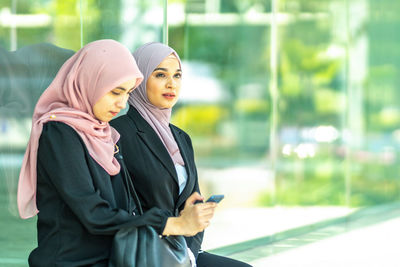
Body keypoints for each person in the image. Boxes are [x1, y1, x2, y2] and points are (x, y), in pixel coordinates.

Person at [17, 39, 214, 267]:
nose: (122, 104)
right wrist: (173, 224)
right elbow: (93, 213)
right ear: (90, 81)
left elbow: (127, 207)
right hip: (73, 262)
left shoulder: (104, 133)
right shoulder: (60, 133)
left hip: (116, 255)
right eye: (115, 92)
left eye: (128, 93)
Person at [110, 42, 252, 267]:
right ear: (140, 79)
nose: (171, 84)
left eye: (177, 76)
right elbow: (116, 208)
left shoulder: (181, 138)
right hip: (144, 252)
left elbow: (191, 201)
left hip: (182, 250)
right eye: (160, 75)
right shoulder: (118, 132)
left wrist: (191, 253)